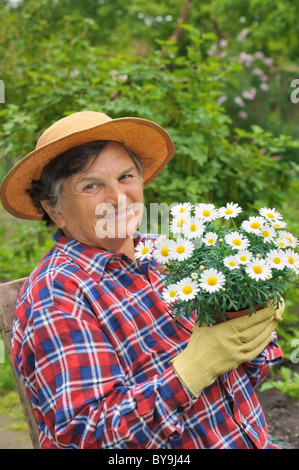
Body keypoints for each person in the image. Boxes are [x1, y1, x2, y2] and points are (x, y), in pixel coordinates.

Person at [0, 111, 284, 449]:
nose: (119, 197)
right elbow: (88, 436)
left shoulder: (168, 253)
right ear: (53, 208)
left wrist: (251, 336)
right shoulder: (57, 296)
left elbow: (247, 379)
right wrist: (189, 373)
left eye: (126, 176)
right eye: (91, 185)